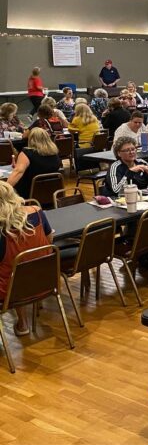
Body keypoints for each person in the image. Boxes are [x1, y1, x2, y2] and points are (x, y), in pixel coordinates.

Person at [0, 182, 54, 336]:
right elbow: (50, 241)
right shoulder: (37, 212)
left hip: (10, 290)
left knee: (12, 270)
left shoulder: (2, 230)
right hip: (45, 280)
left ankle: (23, 323)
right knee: (20, 267)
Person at [6, 128, 61, 199]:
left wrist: (5, 188)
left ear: (31, 139)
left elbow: (18, 172)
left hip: (29, 193)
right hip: (52, 193)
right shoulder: (54, 152)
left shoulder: (27, 153)